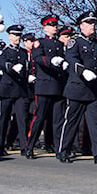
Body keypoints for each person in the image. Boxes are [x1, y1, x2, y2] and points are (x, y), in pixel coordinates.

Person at [57, 10, 97, 163]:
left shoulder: (95, 43)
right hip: (77, 87)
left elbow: (95, 62)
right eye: (89, 23)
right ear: (81, 25)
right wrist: (83, 71)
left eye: (93, 23)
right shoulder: (74, 42)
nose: (92, 26)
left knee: (96, 122)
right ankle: (63, 150)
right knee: (71, 121)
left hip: (93, 89)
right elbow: (71, 60)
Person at [25, 14, 68, 158]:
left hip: (58, 86)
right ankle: (29, 146)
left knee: (58, 120)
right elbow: (37, 58)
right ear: (45, 28)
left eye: (55, 25)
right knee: (39, 118)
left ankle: (59, 149)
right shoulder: (40, 43)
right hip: (44, 86)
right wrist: (51, 60)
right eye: (51, 25)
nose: (54, 28)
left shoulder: (60, 45)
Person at [0, 25, 31, 155]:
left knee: (22, 118)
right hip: (7, 88)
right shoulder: (4, 51)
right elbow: (1, 63)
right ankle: (0, 145)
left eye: (19, 35)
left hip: (20, 89)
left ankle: (24, 146)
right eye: (15, 35)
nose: (18, 38)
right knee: (4, 118)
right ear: (10, 36)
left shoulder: (23, 52)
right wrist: (11, 67)